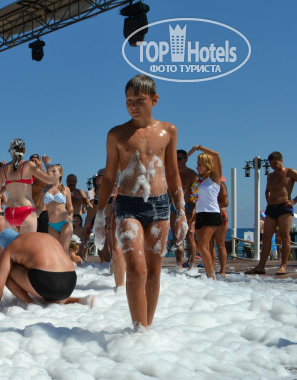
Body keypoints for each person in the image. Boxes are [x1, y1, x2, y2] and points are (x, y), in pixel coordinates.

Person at [94, 74, 186, 331]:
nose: (133, 106)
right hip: (127, 205)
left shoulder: (168, 131)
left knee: (154, 271)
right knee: (136, 269)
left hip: (160, 205)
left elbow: (173, 173)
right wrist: (100, 214)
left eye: (139, 100)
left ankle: (147, 330)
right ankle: (138, 331)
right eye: (128, 101)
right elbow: (109, 176)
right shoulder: (117, 134)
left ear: (154, 100)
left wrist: (181, 212)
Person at [0, 229, 87, 309]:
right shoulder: (45, 236)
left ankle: (30, 304)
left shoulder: (11, 247)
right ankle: (75, 300)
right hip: (70, 282)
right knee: (47, 280)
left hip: (47, 282)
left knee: (5, 273)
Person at [246, 151, 297, 276]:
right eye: (271, 164)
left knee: (284, 237)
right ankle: (261, 266)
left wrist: (294, 200)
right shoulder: (270, 176)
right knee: (266, 237)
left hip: (285, 207)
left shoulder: (290, 173)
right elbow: (267, 191)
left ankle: (283, 266)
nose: (273, 166)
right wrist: (269, 202)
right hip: (271, 208)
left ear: (281, 161)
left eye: (275, 163)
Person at [0, 139, 54, 233]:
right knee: (28, 242)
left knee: (13, 242)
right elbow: (51, 179)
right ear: (24, 150)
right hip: (26, 210)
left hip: (9, 211)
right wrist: (47, 164)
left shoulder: (4, 168)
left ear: (10, 151)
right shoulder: (28, 165)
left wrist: (9, 185)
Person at [188, 145, 223, 280]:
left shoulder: (215, 177)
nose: (197, 167)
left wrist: (199, 148)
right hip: (200, 214)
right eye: (197, 164)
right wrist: (193, 218)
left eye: (200, 164)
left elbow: (217, 155)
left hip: (211, 214)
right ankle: (210, 276)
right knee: (203, 247)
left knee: (201, 246)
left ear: (207, 164)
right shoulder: (200, 181)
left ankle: (212, 277)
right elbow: (198, 201)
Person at [171, 149, 199, 270]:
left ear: (186, 159)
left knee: (189, 236)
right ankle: (179, 264)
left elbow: (196, 194)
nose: (178, 161)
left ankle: (192, 264)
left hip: (188, 207)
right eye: (175, 159)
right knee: (176, 237)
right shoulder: (171, 173)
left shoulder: (192, 175)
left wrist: (191, 209)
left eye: (180, 159)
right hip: (173, 207)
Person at [44, 163, 74, 255]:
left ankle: (68, 265)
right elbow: (41, 206)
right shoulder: (45, 189)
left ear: (61, 173)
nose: (51, 173)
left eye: (54, 171)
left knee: (65, 251)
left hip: (65, 222)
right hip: (51, 224)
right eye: (50, 171)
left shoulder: (65, 189)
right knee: (54, 252)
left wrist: (71, 215)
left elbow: (70, 207)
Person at [210, 178, 229, 278]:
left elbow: (225, 202)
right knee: (209, 244)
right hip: (208, 215)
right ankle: (211, 269)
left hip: (220, 214)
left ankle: (222, 270)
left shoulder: (221, 185)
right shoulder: (203, 184)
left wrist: (210, 206)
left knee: (220, 244)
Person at [29, 154, 50, 233]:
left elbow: (50, 179)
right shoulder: (27, 176)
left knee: (43, 237)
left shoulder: (43, 176)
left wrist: (43, 164)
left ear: (39, 161)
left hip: (42, 212)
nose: (34, 163)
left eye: (36, 161)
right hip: (30, 212)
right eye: (32, 161)